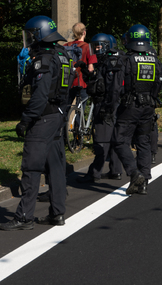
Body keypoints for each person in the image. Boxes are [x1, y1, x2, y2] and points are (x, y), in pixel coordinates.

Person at [1, 16, 73, 230]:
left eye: (31, 34)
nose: (29, 38)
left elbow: (40, 96)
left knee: (31, 167)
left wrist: (25, 121)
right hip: (58, 116)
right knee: (56, 167)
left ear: (39, 34)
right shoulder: (63, 54)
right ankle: (57, 214)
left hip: (43, 118)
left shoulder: (44, 59)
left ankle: (24, 217)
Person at [110, 24, 161, 195]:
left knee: (119, 140)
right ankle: (144, 180)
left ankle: (134, 173)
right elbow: (159, 84)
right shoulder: (154, 58)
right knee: (143, 141)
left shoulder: (126, 59)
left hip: (129, 107)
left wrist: (111, 107)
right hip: (149, 107)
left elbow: (117, 87)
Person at [76, 34, 124, 183]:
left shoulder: (110, 62)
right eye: (95, 46)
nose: (96, 48)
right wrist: (85, 70)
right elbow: (96, 82)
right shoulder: (104, 62)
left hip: (107, 104)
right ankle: (115, 170)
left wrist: (107, 108)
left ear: (108, 45)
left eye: (99, 45)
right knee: (114, 139)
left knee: (101, 140)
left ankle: (94, 173)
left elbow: (112, 88)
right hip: (110, 104)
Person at [65, 22, 95, 126]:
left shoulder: (66, 46)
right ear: (84, 33)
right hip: (82, 82)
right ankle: (78, 136)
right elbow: (91, 68)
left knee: (66, 108)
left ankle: (63, 136)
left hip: (68, 82)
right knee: (80, 109)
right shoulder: (88, 47)